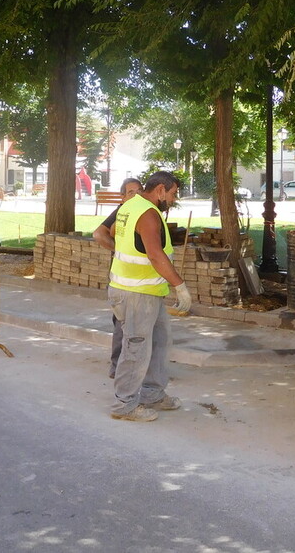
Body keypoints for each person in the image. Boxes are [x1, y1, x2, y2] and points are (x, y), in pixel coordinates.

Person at [108, 171, 192, 422]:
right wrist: (180, 286)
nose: (174, 199)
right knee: (137, 348)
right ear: (160, 190)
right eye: (173, 193)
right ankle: (125, 404)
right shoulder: (147, 214)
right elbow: (155, 255)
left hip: (144, 291)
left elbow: (113, 232)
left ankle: (152, 394)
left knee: (160, 342)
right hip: (136, 293)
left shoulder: (131, 205)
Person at [92, 177, 143, 378]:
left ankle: (136, 365)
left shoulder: (143, 212)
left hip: (141, 280)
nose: (136, 195)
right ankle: (116, 365)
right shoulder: (122, 212)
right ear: (122, 197)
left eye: (139, 190)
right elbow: (98, 234)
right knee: (122, 323)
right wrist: (118, 250)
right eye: (131, 192)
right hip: (122, 278)